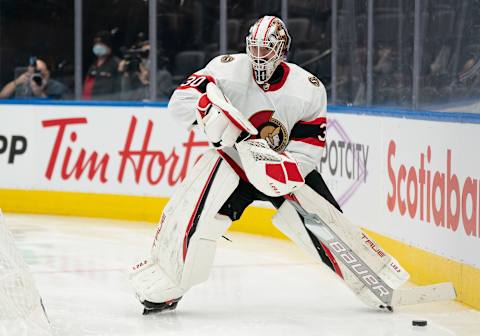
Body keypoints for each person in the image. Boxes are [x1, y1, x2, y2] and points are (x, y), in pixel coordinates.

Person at [130, 16, 337, 314]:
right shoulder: (226, 68)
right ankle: (170, 288)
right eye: (254, 48)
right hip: (233, 165)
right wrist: (205, 109)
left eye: (266, 50)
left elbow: (308, 151)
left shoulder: (307, 88)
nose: (258, 56)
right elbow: (179, 105)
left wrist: (285, 173)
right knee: (201, 222)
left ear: (282, 50)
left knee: (329, 229)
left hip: (283, 170)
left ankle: (366, 275)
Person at [0, 57, 67, 100]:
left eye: (40, 72)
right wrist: (16, 82)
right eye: (34, 72)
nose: (37, 75)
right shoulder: (22, 84)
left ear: (47, 73)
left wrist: (40, 94)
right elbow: (2, 97)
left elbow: (57, 109)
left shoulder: (57, 87)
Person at [82, 30, 121, 100]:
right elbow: (87, 85)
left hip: (108, 104)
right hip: (91, 104)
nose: (98, 46)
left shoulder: (116, 64)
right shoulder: (93, 65)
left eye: (101, 43)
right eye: (96, 43)